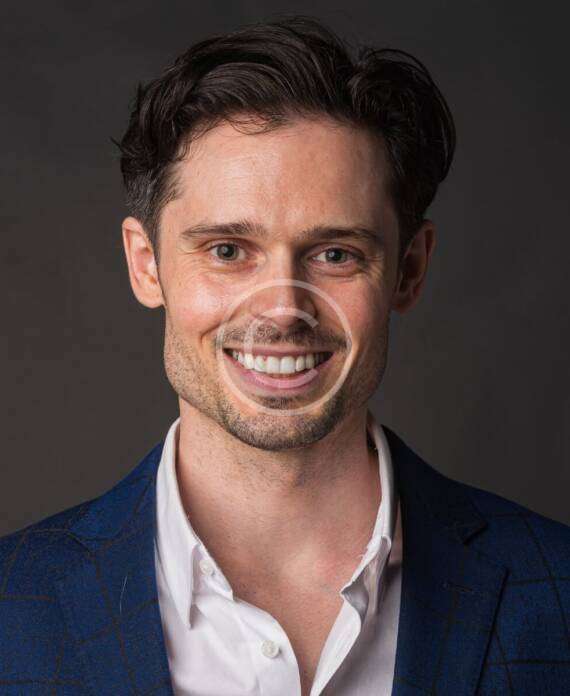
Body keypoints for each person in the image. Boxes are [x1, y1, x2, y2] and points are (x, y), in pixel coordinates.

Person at [1, 15, 568, 696]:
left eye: (335, 254)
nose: (281, 308)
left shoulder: (557, 594)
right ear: (146, 264)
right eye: (227, 251)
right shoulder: (12, 608)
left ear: (409, 270)